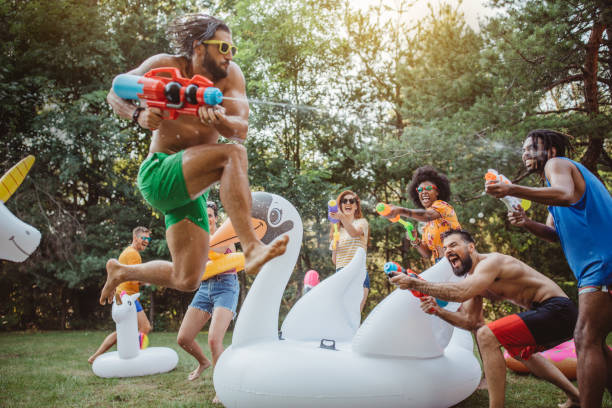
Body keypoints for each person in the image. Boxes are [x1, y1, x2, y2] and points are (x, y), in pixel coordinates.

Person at [101, 13, 287, 306]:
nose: (229, 56)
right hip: (160, 172)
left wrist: (220, 119)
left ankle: (122, 270)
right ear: (199, 46)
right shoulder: (164, 66)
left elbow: (241, 129)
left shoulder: (231, 78)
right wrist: (138, 114)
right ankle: (251, 247)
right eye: (223, 48)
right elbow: (115, 92)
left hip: (190, 190)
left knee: (187, 278)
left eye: (232, 50)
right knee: (232, 156)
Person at [485, 129, 612, 408]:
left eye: (532, 147)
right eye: (523, 148)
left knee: (585, 337)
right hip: (597, 266)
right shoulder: (553, 188)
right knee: (595, 339)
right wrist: (527, 222)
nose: (525, 153)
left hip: (603, 261)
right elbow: (555, 233)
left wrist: (511, 189)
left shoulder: (558, 166)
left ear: (551, 151)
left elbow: (565, 194)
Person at [390, 229, 580, 408]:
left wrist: (416, 283)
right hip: (547, 313)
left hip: (559, 309)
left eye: (453, 245)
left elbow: (462, 293)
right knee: (520, 351)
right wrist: (438, 311)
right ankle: (575, 396)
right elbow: (471, 322)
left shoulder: (491, 263)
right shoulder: (474, 279)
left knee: (487, 335)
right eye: (445, 248)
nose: (448, 251)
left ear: (471, 247)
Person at [177, 201, 238, 402]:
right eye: (203, 215)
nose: (207, 219)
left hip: (226, 286)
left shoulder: (226, 234)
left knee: (214, 339)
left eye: (210, 215)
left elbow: (214, 251)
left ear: (215, 218)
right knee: (184, 339)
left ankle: (222, 387)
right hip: (205, 288)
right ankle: (204, 362)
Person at [88, 226, 153, 363]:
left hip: (123, 296)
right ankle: (135, 356)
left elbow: (126, 276)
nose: (146, 241)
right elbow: (135, 278)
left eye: (148, 238)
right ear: (135, 238)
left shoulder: (127, 252)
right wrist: (150, 279)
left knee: (122, 332)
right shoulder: (134, 254)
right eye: (143, 238)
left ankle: (95, 356)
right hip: (128, 297)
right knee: (145, 327)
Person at [383, 166, 461, 263]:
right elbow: (427, 254)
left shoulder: (443, 206)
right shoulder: (426, 225)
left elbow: (428, 215)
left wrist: (400, 210)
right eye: (420, 190)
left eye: (428, 188)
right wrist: (415, 240)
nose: (423, 192)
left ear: (437, 191)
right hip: (439, 262)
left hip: (455, 259)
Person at [329, 190, 369, 312]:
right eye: (344, 201)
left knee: (354, 314)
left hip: (358, 272)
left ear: (356, 206)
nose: (348, 203)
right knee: (341, 314)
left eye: (352, 201)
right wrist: (335, 248)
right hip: (341, 273)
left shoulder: (362, 223)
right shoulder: (337, 230)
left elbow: (354, 233)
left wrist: (340, 216)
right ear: (340, 205)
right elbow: (335, 261)